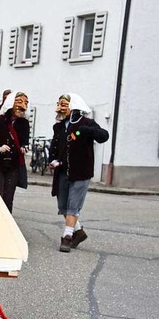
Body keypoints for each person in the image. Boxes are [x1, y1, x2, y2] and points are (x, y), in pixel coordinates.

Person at [49, 93, 109, 252]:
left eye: (64, 105)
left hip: (81, 172)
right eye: (59, 104)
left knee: (73, 205)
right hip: (62, 171)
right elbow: (55, 144)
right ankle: (79, 231)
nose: (60, 108)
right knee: (62, 205)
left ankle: (67, 237)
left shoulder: (86, 122)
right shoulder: (59, 126)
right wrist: (52, 159)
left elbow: (104, 136)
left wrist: (87, 131)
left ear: (73, 106)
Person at [0, 90, 30, 213]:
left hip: (13, 165)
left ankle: (7, 225)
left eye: (25, 103)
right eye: (19, 102)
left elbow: (24, 141)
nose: (22, 106)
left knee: (8, 197)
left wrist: (24, 147)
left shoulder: (24, 123)